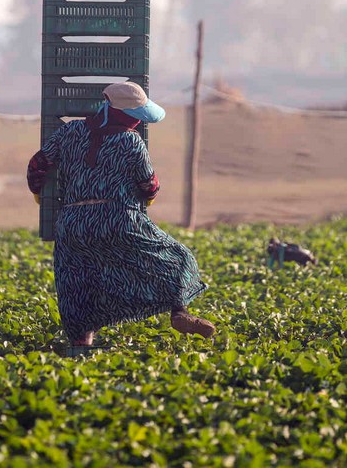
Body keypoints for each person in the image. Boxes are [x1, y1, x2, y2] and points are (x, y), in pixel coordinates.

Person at [27, 81, 215, 347]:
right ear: (125, 115)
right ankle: (179, 312)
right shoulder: (130, 141)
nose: (139, 122)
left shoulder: (70, 131)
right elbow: (149, 183)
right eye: (136, 117)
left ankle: (81, 345)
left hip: (73, 223)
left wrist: (38, 191)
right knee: (179, 258)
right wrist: (147, 199)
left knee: (79, 285)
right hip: (118, 220)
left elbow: (38, 163)